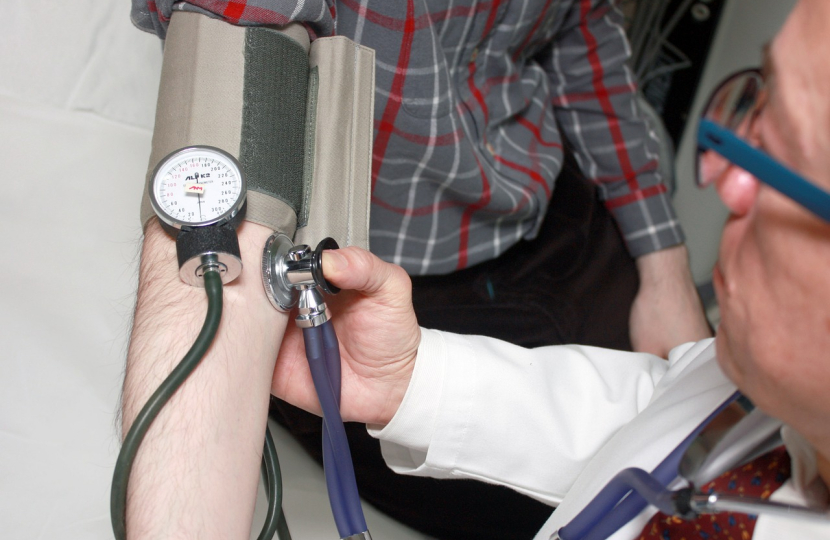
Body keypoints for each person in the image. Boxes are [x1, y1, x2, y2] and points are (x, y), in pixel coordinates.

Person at [125, 1, 709, 537]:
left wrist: (664, 265)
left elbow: (585, 28)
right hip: (379, 289)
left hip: (557, 221)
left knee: (690, 452)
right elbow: (234, 90)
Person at [269, 0, 830, 537]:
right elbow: (651, 423)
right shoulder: (766, 409)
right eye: (762, 114)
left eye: (786, 161)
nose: (724, 182)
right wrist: (415, 384)